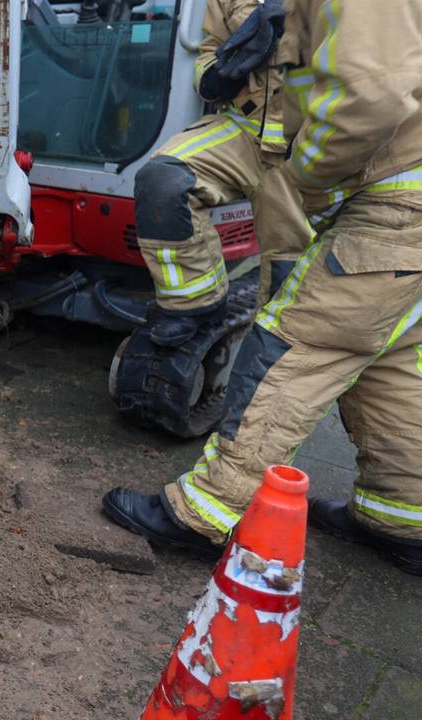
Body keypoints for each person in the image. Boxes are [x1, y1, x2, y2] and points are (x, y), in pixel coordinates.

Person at [104, 0, 422, 577]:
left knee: (294, 345)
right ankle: (402, 517)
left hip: (384, 195)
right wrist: (223, 69)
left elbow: (371, 98)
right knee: (390, 357)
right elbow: (209, 57)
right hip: (389, 189)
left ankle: (208, 514)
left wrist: (303, 183)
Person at [133, 0, 307, 346]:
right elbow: (207, 54)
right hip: (245, 131)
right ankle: (195, 303)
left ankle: (282, 353)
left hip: (308, 144)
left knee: (290, 273)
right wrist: (220, 77)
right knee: (163, 179)